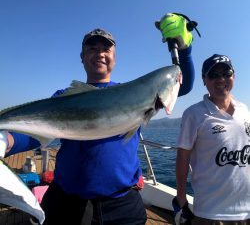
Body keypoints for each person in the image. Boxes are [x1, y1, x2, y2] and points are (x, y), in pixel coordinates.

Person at [0, 14, 195, 225]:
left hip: (121, 203)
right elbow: (35, 134)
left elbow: (183, 83)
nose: (99, 54)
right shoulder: (65, 97)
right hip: (67, 199)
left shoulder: (133, 94)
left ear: (114, 57)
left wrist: (184, 48)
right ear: (82, 57)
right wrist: (7, 141)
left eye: (106, 49)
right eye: (92, 49)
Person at [175, 54, 250, 225]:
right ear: (204, 80)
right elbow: (183, 157)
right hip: (211, 213)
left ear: (234, 76)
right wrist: (181, 197)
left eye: (226, 73)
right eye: (213, 75)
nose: (221, 79)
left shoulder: (245, 110)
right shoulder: (193, 114)